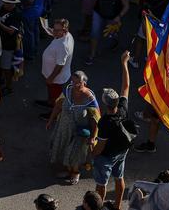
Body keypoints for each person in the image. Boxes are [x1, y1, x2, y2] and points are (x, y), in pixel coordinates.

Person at [92, 52, 134, 207]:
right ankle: (117, 206)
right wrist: (124, 63)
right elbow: (126, 86)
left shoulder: (104, 122)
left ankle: (98, 206)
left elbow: (100, 147)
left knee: (100, 184)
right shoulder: (123, 109)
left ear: (105, 103)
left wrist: (91, 154)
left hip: (107, 156)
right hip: (122, 151)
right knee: (119, 178)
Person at [47, 70, 100, 185]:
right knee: (65, 148)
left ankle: (75, 172)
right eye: (73, 81)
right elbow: (59, 104)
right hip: (64, 128)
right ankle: (68, 169)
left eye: (78, 83)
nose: (75, 85)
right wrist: (51, 120)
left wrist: (93, 137)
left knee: (75, 152)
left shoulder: (90, 100)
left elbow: (95, 120)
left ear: (84, 83)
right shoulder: (68, 90)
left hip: (79, 132)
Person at [41, 18, 75, 109]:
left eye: (57, 30)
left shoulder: (63, 46)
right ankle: (49, 103)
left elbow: (60, 65)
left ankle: (54, 113)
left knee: (56, 97)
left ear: (64, 30)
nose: (54, 31)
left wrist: (51, 78)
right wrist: (50, 30)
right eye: (54, 29)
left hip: (56, 78)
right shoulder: (65, 35)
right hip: (51, 76)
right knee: (51, 93)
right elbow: (56, 34)